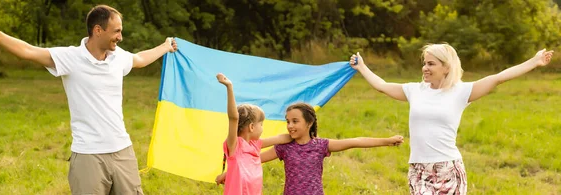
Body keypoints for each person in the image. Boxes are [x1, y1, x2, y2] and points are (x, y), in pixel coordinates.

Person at [0, 5, 178, 194]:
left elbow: (139, 59)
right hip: (88, 156)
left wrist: (165, 46)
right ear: (98, 30)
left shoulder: (118, 57)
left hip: (123, 151)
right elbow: (28, 51)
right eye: (116, 31)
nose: (120, 37)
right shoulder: (70, 58)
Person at [349, 43, 553, 194]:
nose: (425, 68)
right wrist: (362, 67)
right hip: (418, 169)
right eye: (424, 63)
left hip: (448, 169)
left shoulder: (461, 91)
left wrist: (534, 62)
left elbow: (499, 77)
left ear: (446, 67)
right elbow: (382, 86)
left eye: (431, 64)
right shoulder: (414, 90)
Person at [216, 102, 404, 195]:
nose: (290, 125)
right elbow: (251, 160)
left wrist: (386, 140)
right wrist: (230, 173)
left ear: (309, 122)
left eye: (295, 121)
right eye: (288, 121)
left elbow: (354, 141)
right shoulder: (285, 148)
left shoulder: (321, 146)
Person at [215, 73, 293, 195]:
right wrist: (229, 87)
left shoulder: (255, 145)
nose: (262, 128)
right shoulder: (235, 146)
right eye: (261, 124)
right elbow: (233, 118)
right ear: (251, 127)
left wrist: (301, 135)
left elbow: (280, 138)